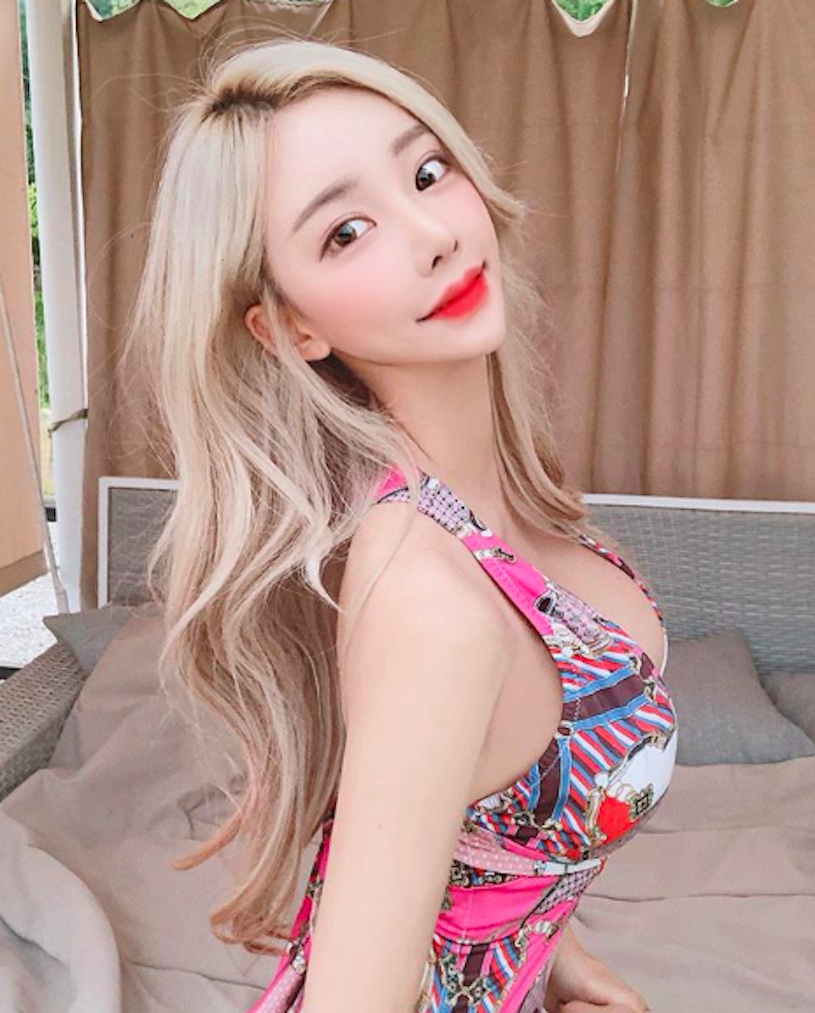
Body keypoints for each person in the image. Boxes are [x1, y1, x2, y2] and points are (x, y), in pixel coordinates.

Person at [128, 36, 676, 1013]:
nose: (430, 233)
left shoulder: (493, 510)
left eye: (426, 172)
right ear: (289, 326)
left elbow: (484, 825)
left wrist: (554, 954)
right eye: (346, 232)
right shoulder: (428, 600)